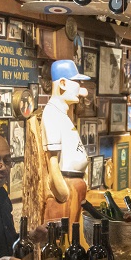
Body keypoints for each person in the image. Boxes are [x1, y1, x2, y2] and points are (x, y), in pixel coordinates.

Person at [40, 60, 90, 222]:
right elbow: (52, 159)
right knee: (64, 238)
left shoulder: (63, 114)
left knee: (73, 235)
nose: (81, 89)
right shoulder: (52, 113)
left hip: (75, 185)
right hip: (66, 186)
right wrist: (63, 192)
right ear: (62, 83)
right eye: (76, 82)